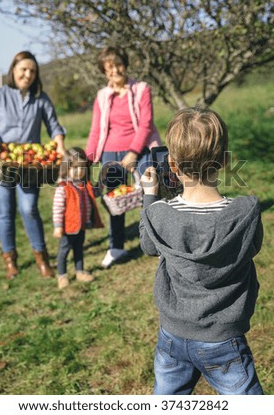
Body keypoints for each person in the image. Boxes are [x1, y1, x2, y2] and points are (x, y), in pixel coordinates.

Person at [139, 107, 264, 395]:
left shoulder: (159, 214)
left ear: (171, 164)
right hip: (225, 340)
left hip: (172, 335)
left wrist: (149, 196)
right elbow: (253, 248)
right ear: (224, 161)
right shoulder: (245, 213)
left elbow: (147, 245)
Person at [0, 50, 66, 279]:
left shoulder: (41, 98)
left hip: (30, 165)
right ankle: (10, 259)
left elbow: (54, 126)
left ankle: (41, 258)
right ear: (13, 71)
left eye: (32, 71)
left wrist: (59, 143)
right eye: (23, 70)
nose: (27, 75)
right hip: (2, 163)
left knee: (29, 208)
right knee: (5, 213)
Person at [86, 45, 161, 268]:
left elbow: (146, 124)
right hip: (110, 151)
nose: (115, 70)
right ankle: (116, 247)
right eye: (109, 67)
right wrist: (88, 161)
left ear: (125, 65)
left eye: (118, 65)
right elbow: (96, 130)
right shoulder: (102, 96)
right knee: (114, 201)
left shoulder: (141, 89)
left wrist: (132, 153)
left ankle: (157, 243)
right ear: (103, 70)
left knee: (151, 194)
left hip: (140, 149)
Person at [53, 147, 104, 289]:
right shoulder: (63, 187)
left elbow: (95, 194)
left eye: (82, 168)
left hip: (81, 225)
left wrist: (102, 181)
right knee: (64, 251)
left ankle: (79, 271)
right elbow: (58, 208)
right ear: (67, 168)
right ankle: (62, 275)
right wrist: (58, 227)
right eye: (75, 168)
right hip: (69, 227)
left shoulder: (84, 185)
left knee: (79, 249)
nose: (79, 171)